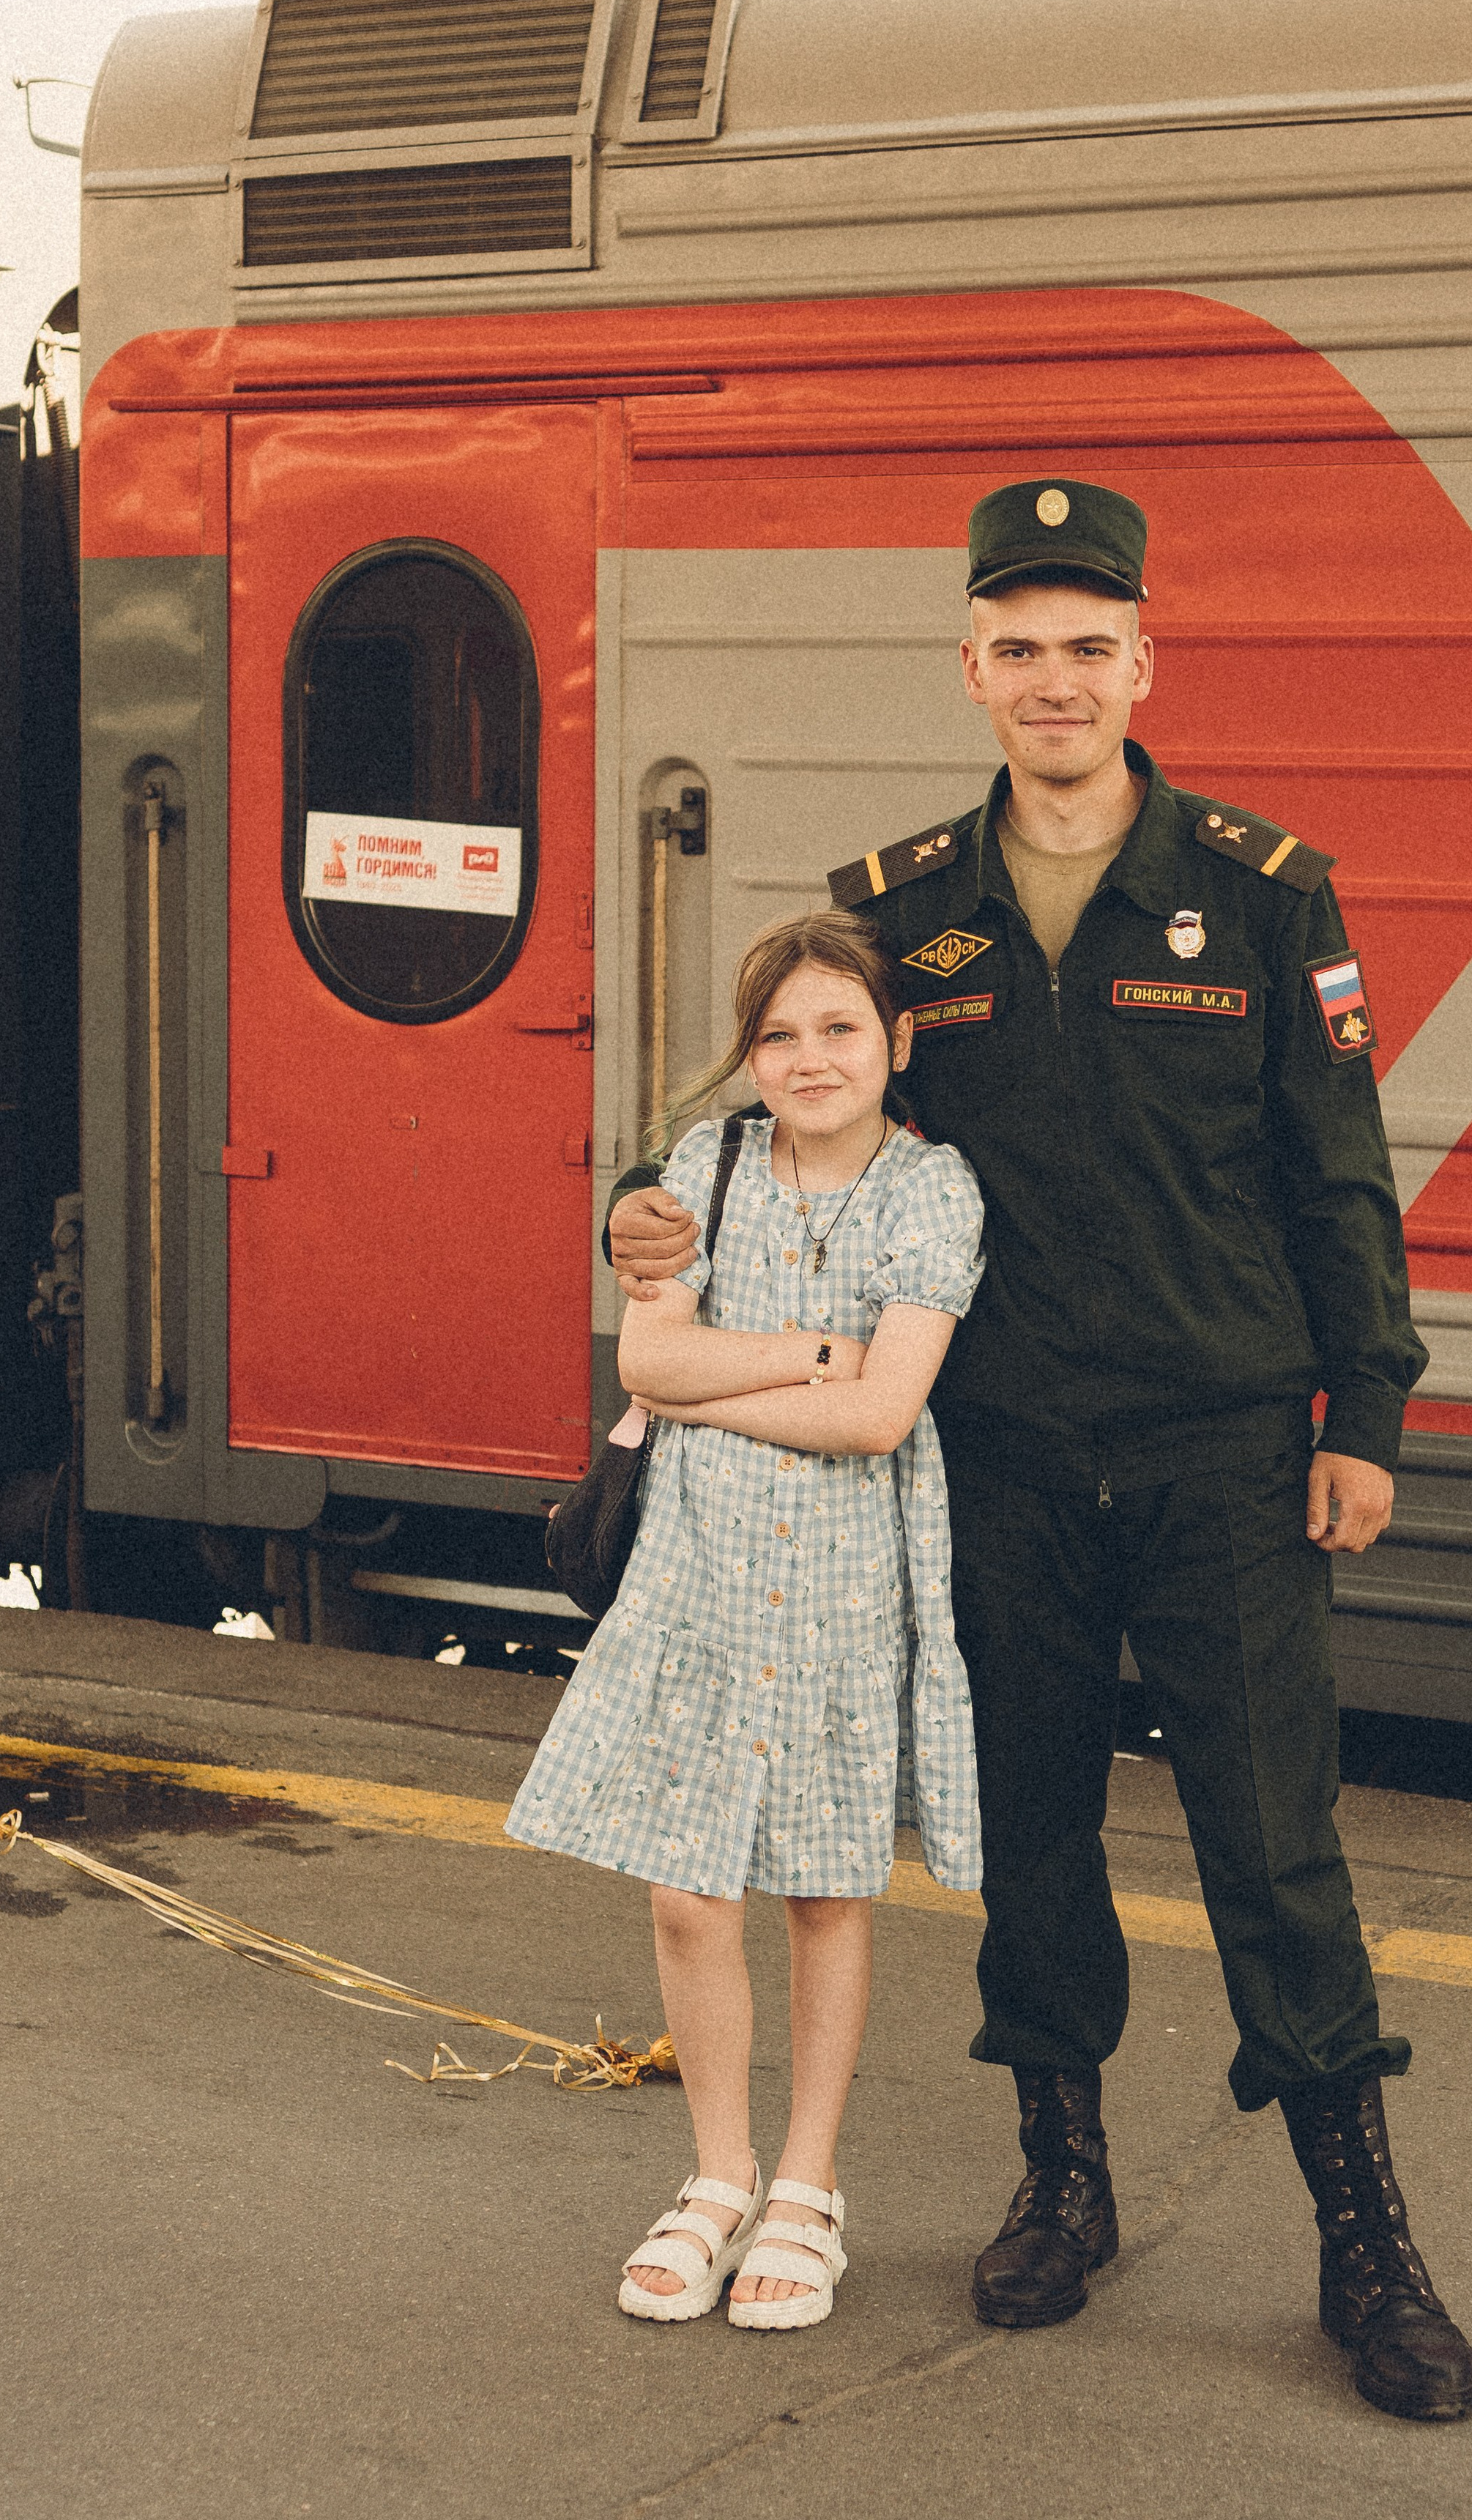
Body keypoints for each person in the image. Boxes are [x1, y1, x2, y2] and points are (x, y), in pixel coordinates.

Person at [606, 481, 1472, 2421]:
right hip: (998, 1459)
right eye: (1020, 646)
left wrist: (1375, 1413)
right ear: (975, 670)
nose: (1056, 679)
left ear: (1143, 662)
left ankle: (1367, 2242)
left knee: (1275, 1845)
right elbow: (758, 1088)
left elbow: (1339, 1176)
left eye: (1091, 645)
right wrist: (635, 1216)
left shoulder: (1266, 892)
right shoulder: (904, 907)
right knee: (1035, 1840)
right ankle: (1060, 2184)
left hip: (1226, 1448)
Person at [508, 910, 985, 2332]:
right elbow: (647, 1349)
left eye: (838, 1028)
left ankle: (805, 2189)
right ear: (749, 1052)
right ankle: (715, 2179)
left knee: (824, 1884)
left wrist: (718, 1382)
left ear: (895, 1043)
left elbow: (881, 1414)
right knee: (683, 1886)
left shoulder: (933, 1191)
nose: (806, 1057)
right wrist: (810, 1349)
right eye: (777, 1034)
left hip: (847, 1569)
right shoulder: (703, 1166)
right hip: (697, 1571)